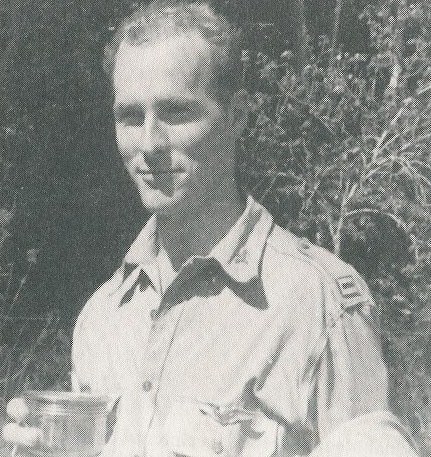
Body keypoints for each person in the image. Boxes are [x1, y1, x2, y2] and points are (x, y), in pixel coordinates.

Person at [2, 1, 419, 456]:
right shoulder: (101, 319)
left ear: (237, 116)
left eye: (177, 113)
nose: (149, 143)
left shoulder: (319, 305)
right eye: (130, 117)